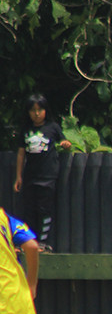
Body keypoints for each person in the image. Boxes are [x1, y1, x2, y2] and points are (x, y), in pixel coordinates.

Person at [13, 93, 72, 250]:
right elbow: (21, 153)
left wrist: (66, 144)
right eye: (33, 110)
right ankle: (28, 243)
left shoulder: (53, 127)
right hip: (30, 176)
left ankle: (43, 243)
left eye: (40, 110)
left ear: (46, 110)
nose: (37, 113)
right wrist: (18, 176)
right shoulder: (25, 130)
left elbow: (63, 141)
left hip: (48, 176)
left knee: (44, 210)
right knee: (29, 210)